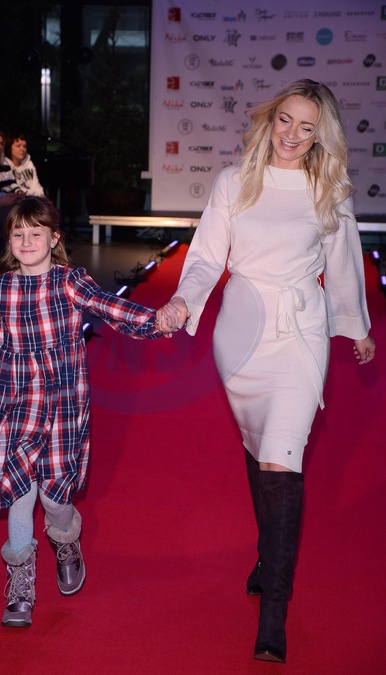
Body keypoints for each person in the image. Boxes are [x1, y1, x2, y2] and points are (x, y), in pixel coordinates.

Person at [159, 80, 376, 663]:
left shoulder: (329, 189)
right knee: (261, 449)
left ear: (321, 135)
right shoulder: (234, 182)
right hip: (242, 334)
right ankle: (267, 555)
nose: (293, 135)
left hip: (301, 332)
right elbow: (207, 257)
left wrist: (354, 326)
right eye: (286, 120)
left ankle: (274, 608)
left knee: (283, 459)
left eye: (308, 127)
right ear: (270, 119)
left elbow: (342, 263)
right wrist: (182, 300)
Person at [0, 196, 176, 628]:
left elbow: (110, 307)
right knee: (19, 494)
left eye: (36, 233)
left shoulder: (69, 282)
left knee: (54, 499)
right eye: (18, 234)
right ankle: (21, 587)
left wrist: (156, 320)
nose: (26, 242)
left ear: (54, 237)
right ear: (9, 240)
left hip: (62, 406)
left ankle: (66, 539)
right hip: (12, 406)